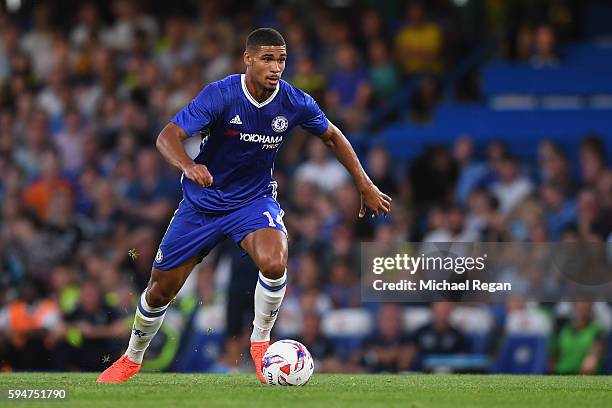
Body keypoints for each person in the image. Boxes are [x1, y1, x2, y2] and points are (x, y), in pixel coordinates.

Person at [97, 28, 391, 383]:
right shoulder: (221, 94)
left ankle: (260, 342)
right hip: (202, 204)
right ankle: (132, 358)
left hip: (253, 202)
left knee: (274, 260)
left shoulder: (295, 101)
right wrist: (189, 166)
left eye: (282, 59)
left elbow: (331, 135)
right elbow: (167, 136)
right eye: (268, 59)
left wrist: (365, 183)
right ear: (248, 59)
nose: (276, 67)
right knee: (161, 289)